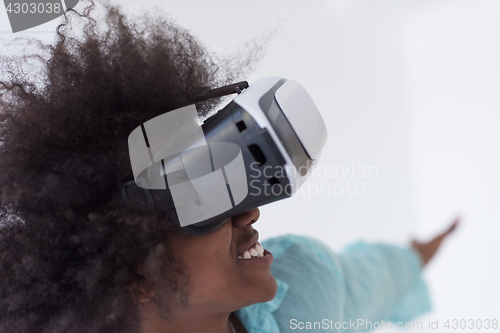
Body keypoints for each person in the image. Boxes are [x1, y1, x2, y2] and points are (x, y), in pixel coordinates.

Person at [0, 2, 458, 332]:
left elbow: (374, 281)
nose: (251, 213)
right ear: (138, 275)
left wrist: (415, 256)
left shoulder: (302, 288)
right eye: (203, 199)